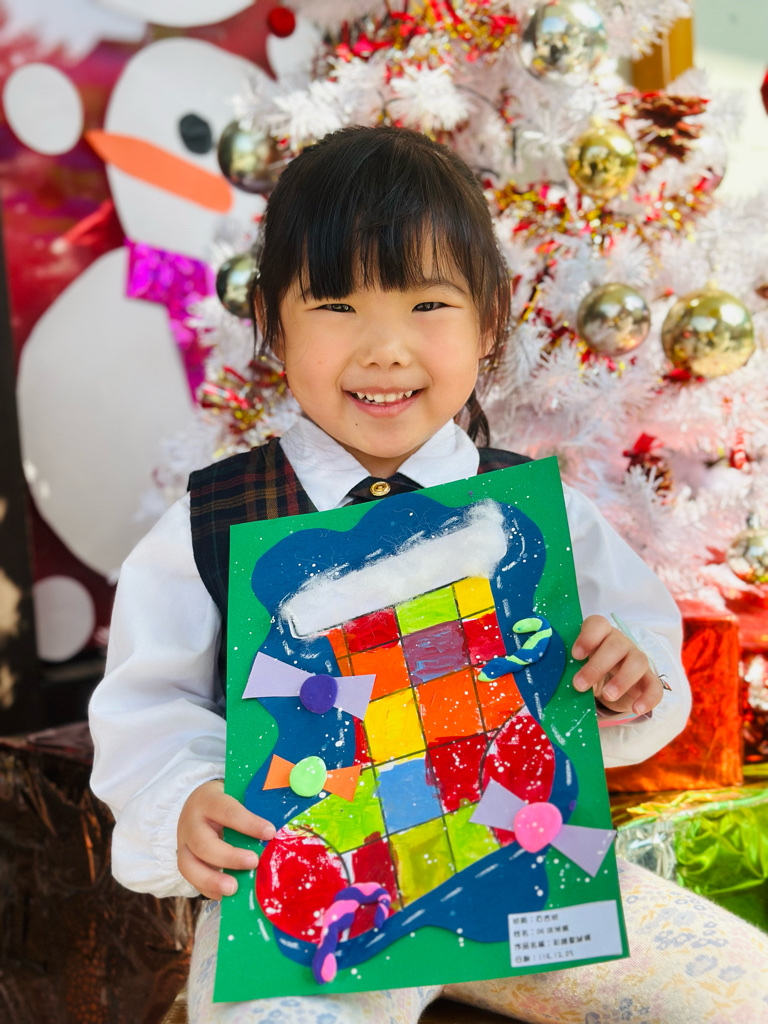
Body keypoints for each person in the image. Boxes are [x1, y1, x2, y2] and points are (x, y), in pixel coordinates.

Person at [89, 126, 768, 1024]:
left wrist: (625, 681)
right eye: (336, 305)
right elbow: (145, 711)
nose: (385, 349)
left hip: (531, 878)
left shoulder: (539, 514)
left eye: (427, 305)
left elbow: (639, 653)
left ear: (488, 322)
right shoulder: (215, 518)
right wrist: (184, 800)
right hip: (317, 906)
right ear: (273, 324)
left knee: (741, 992)